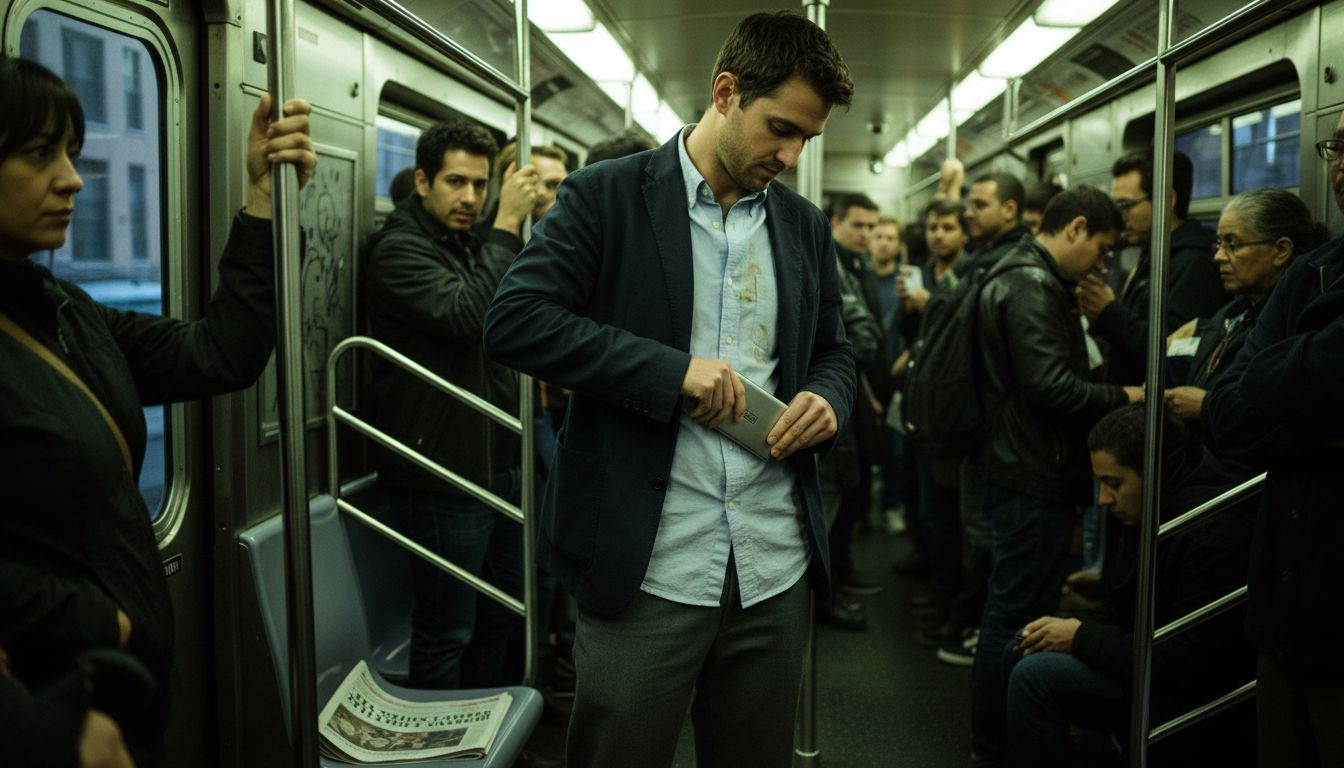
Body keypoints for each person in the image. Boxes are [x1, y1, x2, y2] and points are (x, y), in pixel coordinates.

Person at [482, 11, 855, 767]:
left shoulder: (803, 226)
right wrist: (671, 371)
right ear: (725, 93)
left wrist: (828, 400)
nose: (790, 154)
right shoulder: (606, 198)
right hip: (647, 560)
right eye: (779, 128)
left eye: (806, 141)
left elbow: (833, 352)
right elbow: (516, 323)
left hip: (771, 562)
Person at [0, 56, 315, 766]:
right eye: (37, 153)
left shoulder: (63, 313)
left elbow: (218, 353)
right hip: (47, 702)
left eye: (72, 155)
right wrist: (101, 622)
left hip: (115, 690)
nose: (72, 180)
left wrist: (263, 199)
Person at [361, 119, 541, 691]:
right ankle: (435, 749)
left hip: (497, 460)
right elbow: (471, 318)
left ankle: (487, 731)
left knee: (504, 613)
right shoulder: (398, 252)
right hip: (443, 470)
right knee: (448, 629)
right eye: (455, 182)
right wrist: (508, 223)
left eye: (481, 186)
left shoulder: (466, 244)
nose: (471, 198)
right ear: (422, 181)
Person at [966, 185, 1140, 766]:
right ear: (1076, 228)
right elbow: (1050, 387)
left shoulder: (1023, 273)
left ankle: (1005, 733)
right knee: (1015, 612)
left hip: (1023, 462)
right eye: (1101, 248)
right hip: (1033, 469)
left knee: (1016, 606)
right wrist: (1126, 394)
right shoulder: (1033, 285)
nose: (1101, 264)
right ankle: (996, 744)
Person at [1003, 404, 1255, 767]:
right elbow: (1124, 604)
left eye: (1113, 483)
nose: (1104, 500)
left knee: (1034, 677)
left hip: (1186, 692)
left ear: (1154, 473)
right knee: (1020, 645)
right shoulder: (1147, 510)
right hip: (1146, 659)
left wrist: (1081, 636)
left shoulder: (1212, 534)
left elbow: (1187, 664)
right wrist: (1077, 626)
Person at [1206, 114, 1344, 768]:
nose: (1341, 161)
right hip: (1282, 600)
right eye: (1338, 145)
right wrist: (1321, 424)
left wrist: (1285, 387)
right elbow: (1233, 411)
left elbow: (1275, 381)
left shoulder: (1304, 284)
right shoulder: (1314, 273)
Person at [1164, 188, 1329, 450]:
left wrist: (1206, 406)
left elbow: (1278, 422)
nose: (1218, 256)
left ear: (1280, 251)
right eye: (1219, 244)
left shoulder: (1295, 322)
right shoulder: (1230, 312)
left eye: (1233, 244)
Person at [1077, 149, 1223, 384]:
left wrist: (1109, 313)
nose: (1119, 217)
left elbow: (1176, 356)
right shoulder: (1150, 255)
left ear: (1168, 200)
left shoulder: (1193, 265)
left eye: (1126, 205)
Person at [961, 171, 1030, 274]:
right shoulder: (984, 250)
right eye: (969, 206)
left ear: (1009, 210)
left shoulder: (1009, 262)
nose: (968, 214)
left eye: (980, 205)